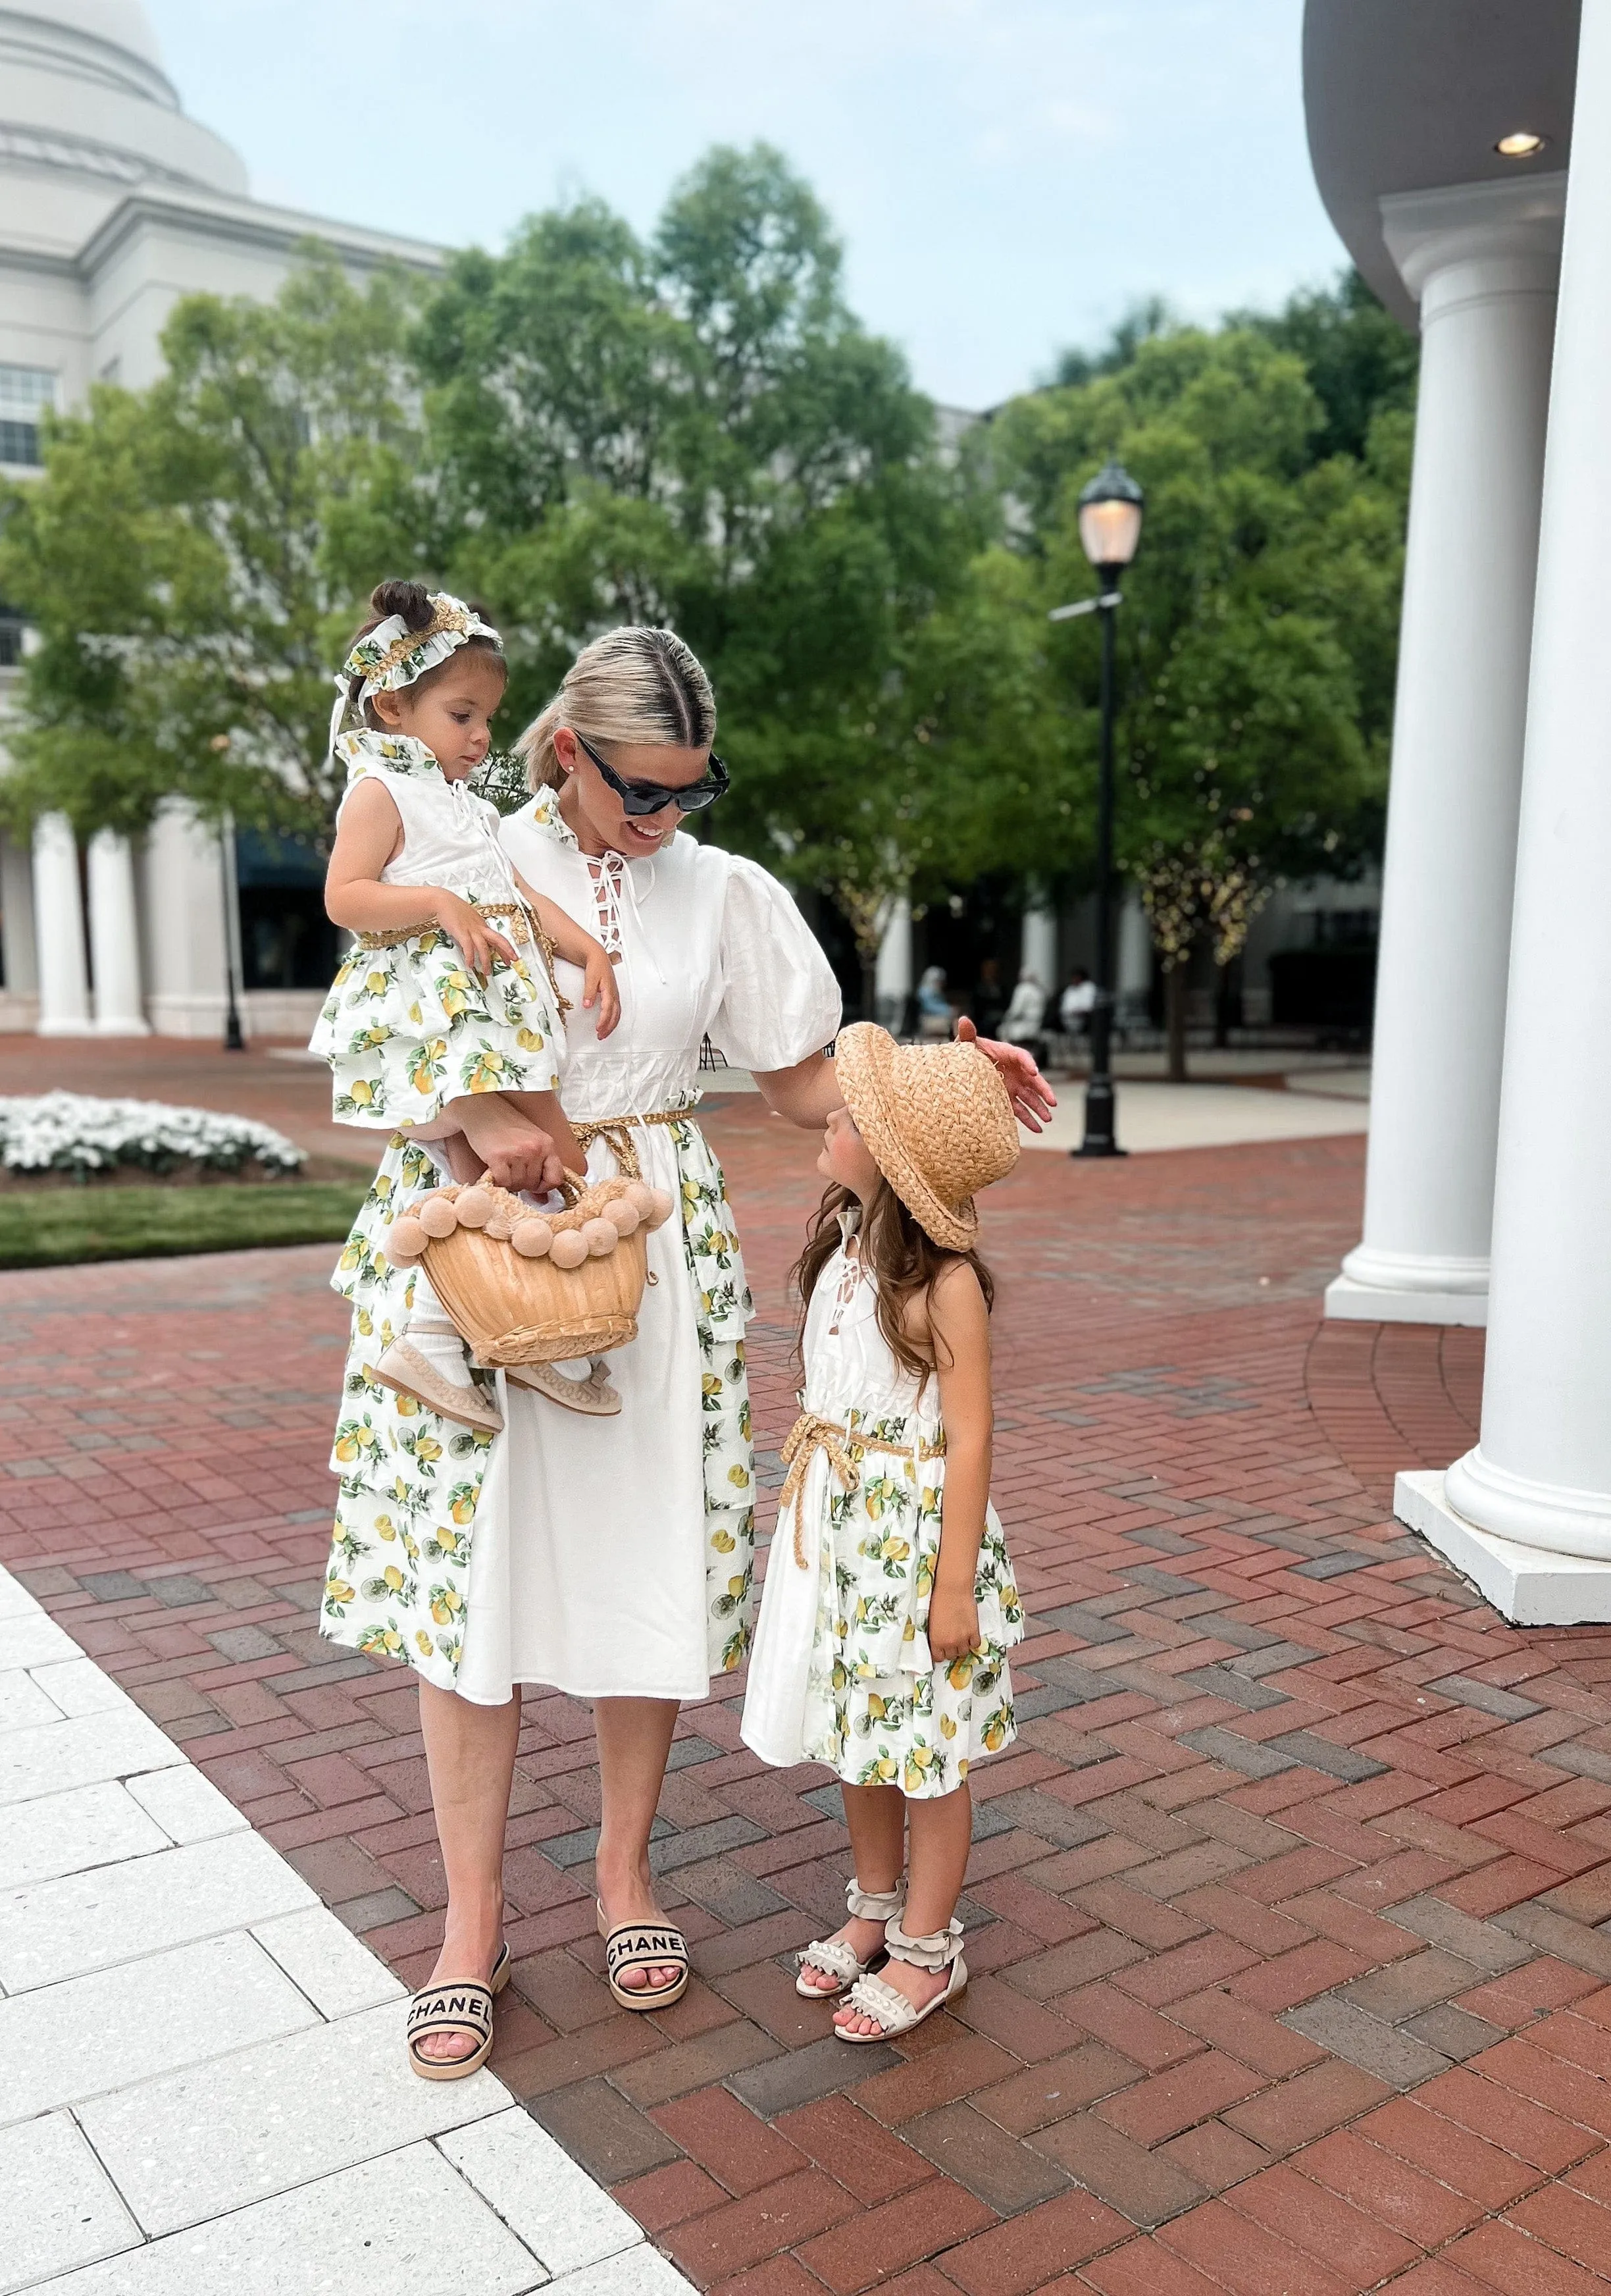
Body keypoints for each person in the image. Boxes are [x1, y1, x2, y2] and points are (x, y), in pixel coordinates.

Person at [317, 623, 1056, 2076]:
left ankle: (625, 1873)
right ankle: (471, 1923)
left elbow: (804, 1083)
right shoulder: (458, 841)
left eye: (690, 793)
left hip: (649, 1244)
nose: (665, 821)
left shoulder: (721, 891)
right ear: (567, 751)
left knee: (641, 1559)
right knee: (470, 1577)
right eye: (642, 791)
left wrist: (947, 1076)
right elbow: (387, 1041)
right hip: (476, 1237)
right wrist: (483, 1123)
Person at [742, 1024, 1024, 2040]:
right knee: (857, 1734)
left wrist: (954, 1586)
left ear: (900, 1166)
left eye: (854, 1117)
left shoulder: (944, 1284)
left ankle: (928, 1942)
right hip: (844, 1533)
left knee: (928, 1750)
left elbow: (972, 1431)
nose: (834, 1116)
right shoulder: (847, 1246)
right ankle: (872, 1906)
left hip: (914, 1544)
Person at [310, 583, 619, 1432]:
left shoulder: (469, 807)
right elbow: (345, 897)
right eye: (462, 714)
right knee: (488, 1174)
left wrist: (583, 946)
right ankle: (439, 1337)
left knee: (552, 1165)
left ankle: (520, 1329)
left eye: (488, 717)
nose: (482, 736)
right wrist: (440, 903)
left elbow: (516, 896)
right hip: (436, 1026)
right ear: (392, 707)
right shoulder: (382, 791)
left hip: (495, 1026)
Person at [915, 964, 953, 1041]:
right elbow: (929, 1007)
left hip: (938, 1017)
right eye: (939, 981)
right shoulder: (925, 992)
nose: (941, 984)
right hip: (927, 1019)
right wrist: (949, 1010)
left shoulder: (937, 991)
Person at [1060, 966, 1096, 1041]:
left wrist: (1076, 1012)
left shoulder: (1088, 988)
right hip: (1067, 1019)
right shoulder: (1070, 989)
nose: (1074, 980)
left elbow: (1088, 1007)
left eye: (1076, 977)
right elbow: (1065, 1006)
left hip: (1083, 1019)